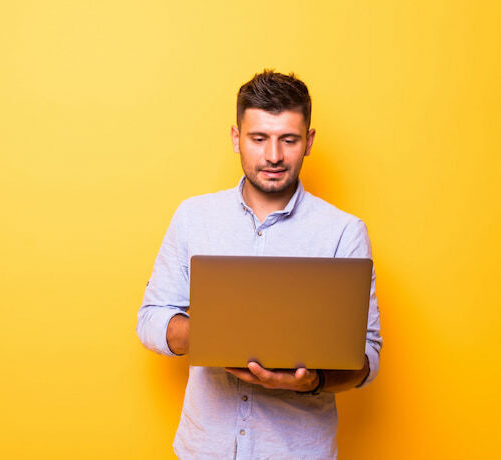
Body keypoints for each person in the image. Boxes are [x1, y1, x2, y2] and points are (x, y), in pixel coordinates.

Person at [136, 70, 382, 459]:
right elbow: (151, 319)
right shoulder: (194, 217)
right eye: (258, 138)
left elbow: (366, 357)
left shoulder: (343, 232)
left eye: (288, 139)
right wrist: (218, 335)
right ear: (236, 138)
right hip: (205, 449)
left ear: (309, 141)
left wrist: (313, 382)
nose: (273, 156)